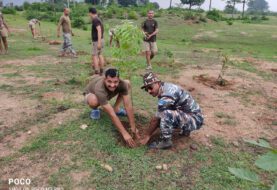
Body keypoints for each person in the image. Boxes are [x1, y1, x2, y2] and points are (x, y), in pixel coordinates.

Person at [139, 72, 204, 149]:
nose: (149, 91)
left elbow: (156, 119)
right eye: (146, 90)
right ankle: (185, 131)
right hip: (191, 116)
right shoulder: (164, 87)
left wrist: (147, 135)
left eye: (150, 87)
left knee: (165, 114)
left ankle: (166, 141)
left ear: (157, 83)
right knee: (165, 115)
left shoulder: (167, 94)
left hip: (195, 120)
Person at [83, 68, 140, 148]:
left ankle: (116, 108)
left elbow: (128, 105)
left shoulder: (121, 83)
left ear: (119, 80)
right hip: (92, 94)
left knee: (127, 83)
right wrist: (124, 133)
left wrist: (133, 126)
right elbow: (111, 114)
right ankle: (95, 109)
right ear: (104, 79)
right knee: (94, 101)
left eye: (115, 82)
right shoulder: (99, 89)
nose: (112, 85)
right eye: (109, 81)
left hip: (108, 94)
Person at [88, 7, 105, 75]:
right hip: (101, 39)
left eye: (89, 13)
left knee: (94, 55)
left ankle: (96, 71)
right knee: (100, 54)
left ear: (90, 13)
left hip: (97, 41)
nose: (89, 15)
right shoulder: (98, 19)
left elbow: (99, 31)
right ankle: (101, 69)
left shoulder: (95, 20)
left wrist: (98, 43)